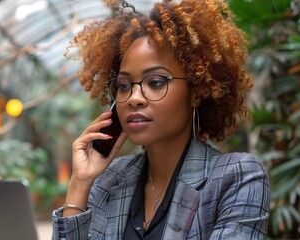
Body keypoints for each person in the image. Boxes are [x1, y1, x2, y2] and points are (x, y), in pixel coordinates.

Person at [52, 0, 270, 239]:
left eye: (155, 83)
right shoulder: (110, 179)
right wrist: (80, 184)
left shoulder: (237, 177)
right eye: (124, 86)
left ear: (196, 92)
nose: (134, 98)